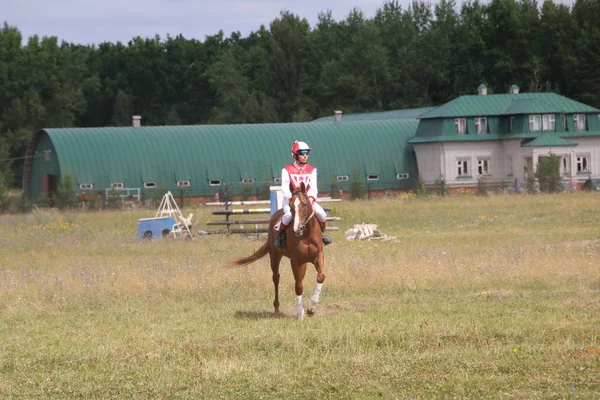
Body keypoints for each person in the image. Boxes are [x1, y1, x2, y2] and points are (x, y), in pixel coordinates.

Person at [274, 140, 333, 249]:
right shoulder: (286, 170)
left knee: (322, 214)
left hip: (307, 201)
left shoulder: (312, 170)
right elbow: (285, 189)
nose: (305, 156)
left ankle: (322, 235)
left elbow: (313, 188)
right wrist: (292, 200)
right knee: (288, 216)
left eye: (307, 153)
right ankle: (280, 237)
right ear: (295, 155)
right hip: (291, 201)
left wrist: (310, 199)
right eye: (302, 153)